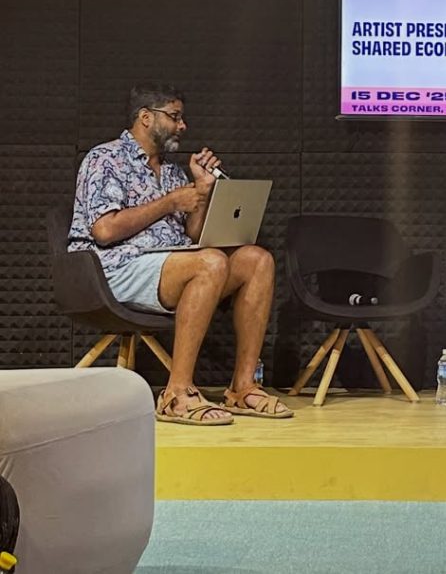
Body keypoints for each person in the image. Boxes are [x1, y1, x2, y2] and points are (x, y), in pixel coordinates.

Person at [69, 83, 293, 425]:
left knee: (257, 259)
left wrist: (202, 190)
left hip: (169, 263)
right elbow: (105, 230)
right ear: (146, 117)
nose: (182, 126)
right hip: (114, 269)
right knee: (210, 262)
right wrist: (171, 202)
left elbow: (191, 235)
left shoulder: (172, 170)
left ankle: (243, 386)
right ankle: (176, 393)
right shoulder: (105, 159)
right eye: (175, 117)